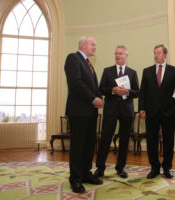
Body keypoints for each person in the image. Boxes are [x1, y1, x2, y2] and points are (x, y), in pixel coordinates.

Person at [64, 36, 104, 193]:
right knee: (78, 145)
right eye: (93, 44)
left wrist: (99, 98)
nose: (95, 47)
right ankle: (75, 179)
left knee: (88, 144)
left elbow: (93, 86)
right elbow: (75, 83)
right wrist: (93, 99)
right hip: (78, 111)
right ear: (83, 45)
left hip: (91, 111)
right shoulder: (73, 58)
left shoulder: (89, 64)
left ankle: (86, 174)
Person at [94, 45, 139, 179]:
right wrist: (112, 90)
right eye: (116, 54)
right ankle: (100, 168)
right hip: (111, 109)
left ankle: (120, 168)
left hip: (127, 110)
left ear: (126, 56)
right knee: (105, 138)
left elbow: (137, 91)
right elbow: (101, 89)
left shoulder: (132, 73)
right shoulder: (107, 71)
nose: (118, 56)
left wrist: (127, 92)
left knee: (124, 140)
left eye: (120, 53)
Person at [139, 44, 175, 179]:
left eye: (159, 53)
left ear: (165, 55)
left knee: (168, 140)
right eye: (155, 53)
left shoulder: (174, 71)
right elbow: (142, 91)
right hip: (151, 111)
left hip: (170, 111)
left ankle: (167, 167)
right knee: (151, 140)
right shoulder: (147, 71)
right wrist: (141, 108)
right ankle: (154, 167)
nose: (156, 55)